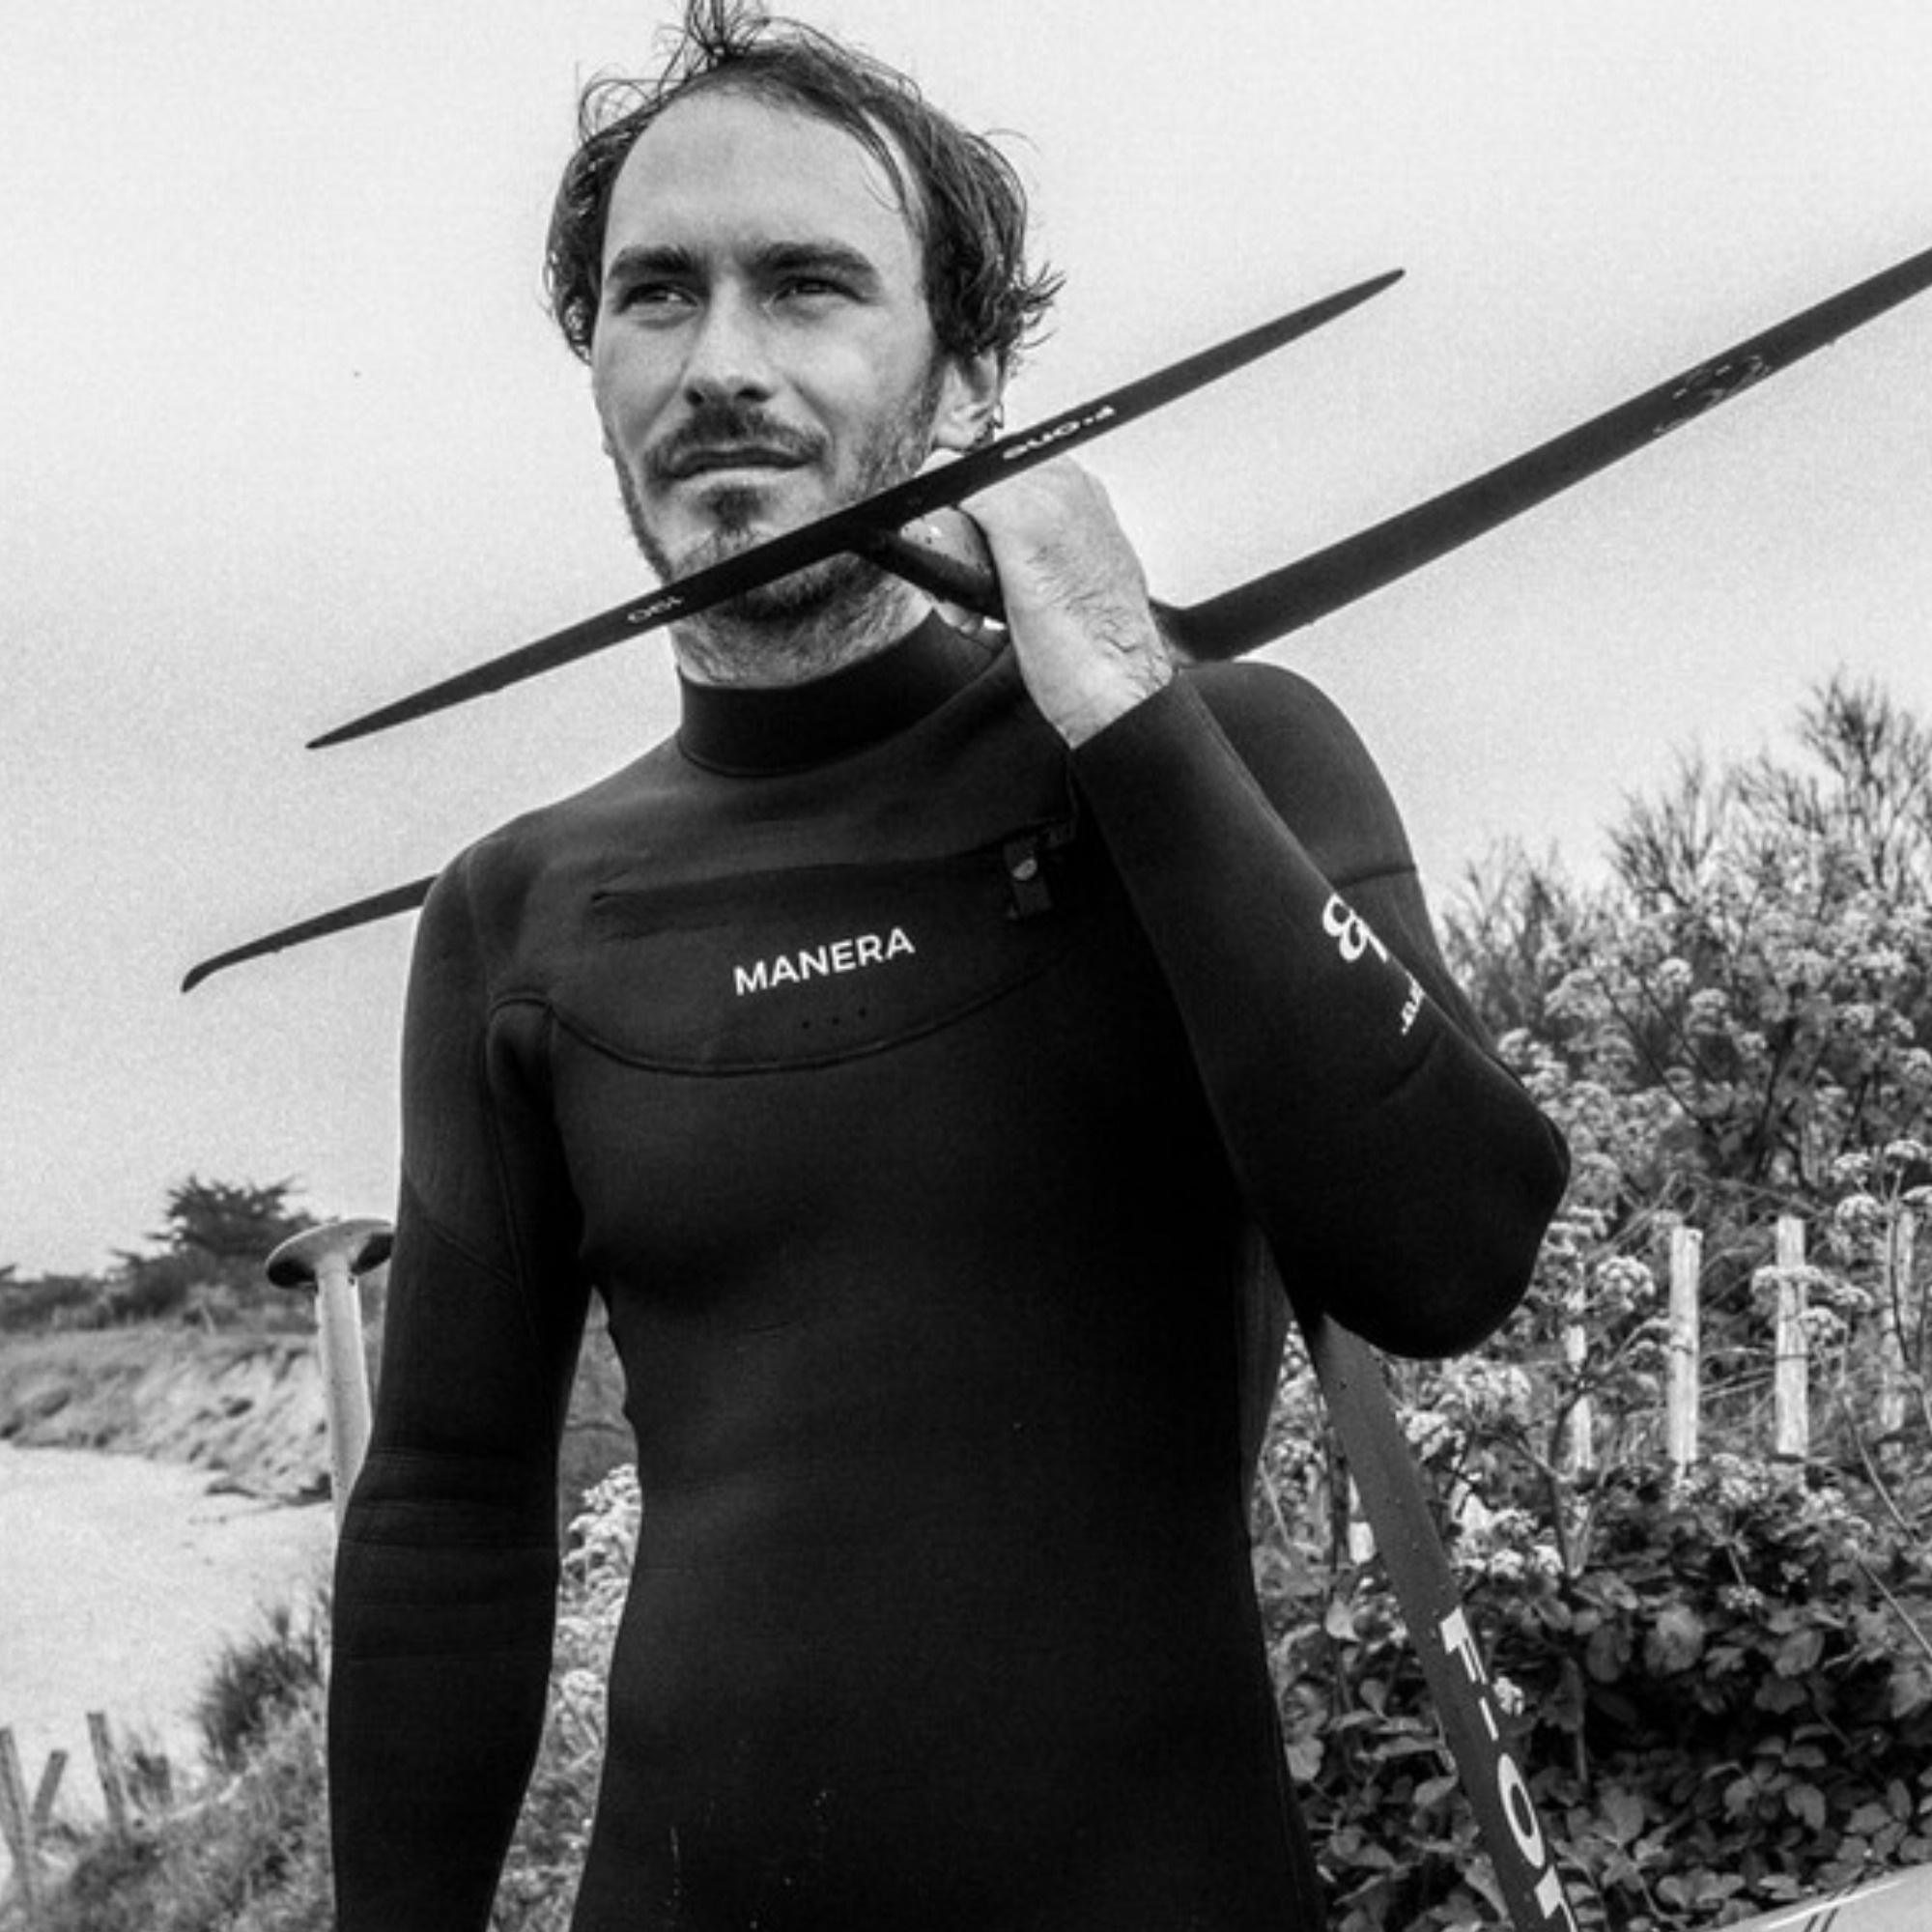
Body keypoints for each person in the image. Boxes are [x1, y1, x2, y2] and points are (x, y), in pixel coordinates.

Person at [327, 5, 1570, 1927]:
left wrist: (1123, 697)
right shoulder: (520, 908)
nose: (720, 362)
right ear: (598, 369)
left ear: (971, 372)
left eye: (808, 284)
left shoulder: (1215, 751)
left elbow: (1447, 1249)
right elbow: (443, 1520)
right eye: (657, 295)